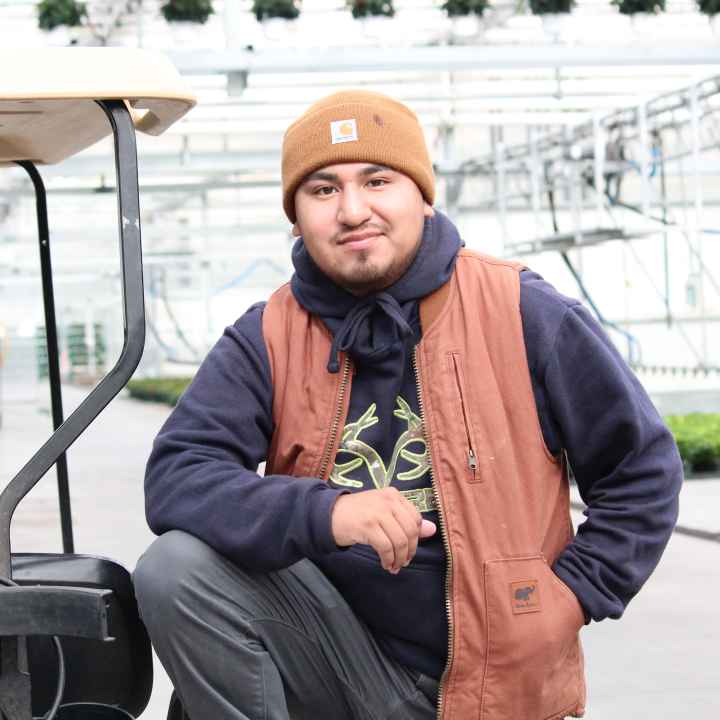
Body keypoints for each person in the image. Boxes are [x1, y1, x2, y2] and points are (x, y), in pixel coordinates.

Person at [134, 90, 683, 720]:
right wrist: (328, 512)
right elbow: (178, 476)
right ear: (295, 217)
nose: (353, 210)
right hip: (332, 658)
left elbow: (641, 468)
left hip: (492, 681)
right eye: (322, 190)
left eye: (377, 180)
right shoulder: (268, 336)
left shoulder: (522, 311)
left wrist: (572, 595)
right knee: (175, 569)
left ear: (422, 194)